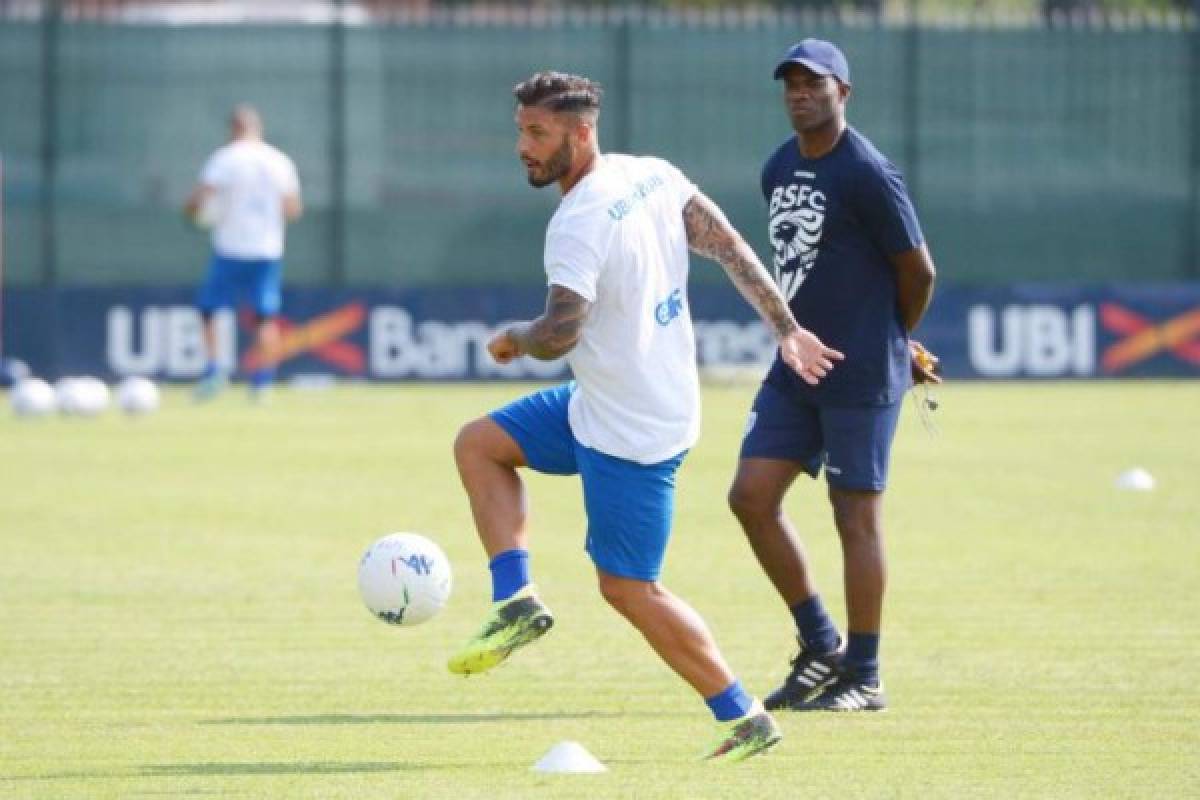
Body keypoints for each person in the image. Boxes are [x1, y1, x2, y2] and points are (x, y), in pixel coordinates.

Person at [448, 71, 843, 762]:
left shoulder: (575, 224)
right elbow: (729, 247)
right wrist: (785, 326)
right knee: (480, 444)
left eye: (538, 134)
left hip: (631, 432)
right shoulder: (651, 175)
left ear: (581, 132)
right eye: (521, 131)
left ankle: (743, 715)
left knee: (630, 588)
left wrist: (516, 336)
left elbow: (561, 333)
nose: (524, 147)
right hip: (614, 401)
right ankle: (514, 601)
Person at [728, 39, 939, 713]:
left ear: (842, 93)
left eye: (814, 84)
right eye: (790, 83)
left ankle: (865, 674)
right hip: (797, 366)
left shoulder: (868, 173)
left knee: (854, 518)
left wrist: (895, 340)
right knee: (750, 497)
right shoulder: (778, 167)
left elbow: (919, 271)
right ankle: (822, 647)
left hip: (861, 374)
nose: (799, 93)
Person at [183, 104, 302, 402]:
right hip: (267, 249)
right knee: (264, 317)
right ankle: (262, 383)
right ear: (258, 128)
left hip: (231, 247)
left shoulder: (225, 158)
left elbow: (200, 197)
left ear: (233, 129)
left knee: (210, 311)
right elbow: (292, 209)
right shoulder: (279, 161)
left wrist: (194, 212)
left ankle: (214, 372)